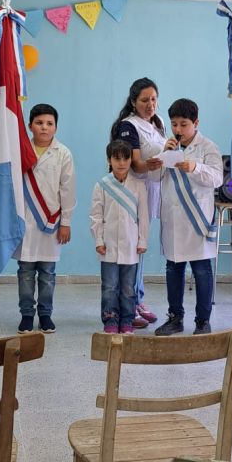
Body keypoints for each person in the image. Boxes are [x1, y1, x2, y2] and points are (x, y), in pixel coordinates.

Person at [151, 98, 223, 336]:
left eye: (183, 124)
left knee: (202, 270)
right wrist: (163, 155)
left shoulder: (208, 147)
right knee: (173, 269)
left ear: (196, 123)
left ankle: (203, 321)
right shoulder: (167, 145)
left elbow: (217, 179)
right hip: (173, 221)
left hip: (197, 221)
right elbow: (154, 180)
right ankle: (175, 318)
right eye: (174, 124)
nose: (178, 129)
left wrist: (195, 168)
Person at [15, 103, 76, 334]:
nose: (44, 127)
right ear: (30, 126)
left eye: (49, 123)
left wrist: (66, 223)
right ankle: (26, 314)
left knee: (48, 273)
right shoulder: (21, 151)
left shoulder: (63, 154)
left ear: (56, 127)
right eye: (39, 123)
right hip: (26, 221)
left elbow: (68, 190)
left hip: (51, 223)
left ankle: (45, 314)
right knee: (26, 272)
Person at [110, 77, 166, 327]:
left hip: (153, 190)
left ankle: (136, 299)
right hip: (132, 192)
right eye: (145, 100)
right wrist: (153, 163)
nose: (150, 104)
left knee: (140, 247)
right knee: (132, 248)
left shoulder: (158, 122)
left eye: (154, 99)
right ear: (134, 102)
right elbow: (134, 164)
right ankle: (128, 305)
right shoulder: (128, 125)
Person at [90, 140, 149, 334]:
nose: (121, 163)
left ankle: (127, 320)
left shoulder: (139, 185)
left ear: (131, 159)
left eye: (126, 158)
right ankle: (110, 319)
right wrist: (98, 239)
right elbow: (96, 216)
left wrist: (142, 240)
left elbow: (143, 216)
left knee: (128, 288)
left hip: (132, 246)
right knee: (109, 287)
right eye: (117, 158)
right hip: (108, 246)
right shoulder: (102, 185)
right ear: (109, 160)